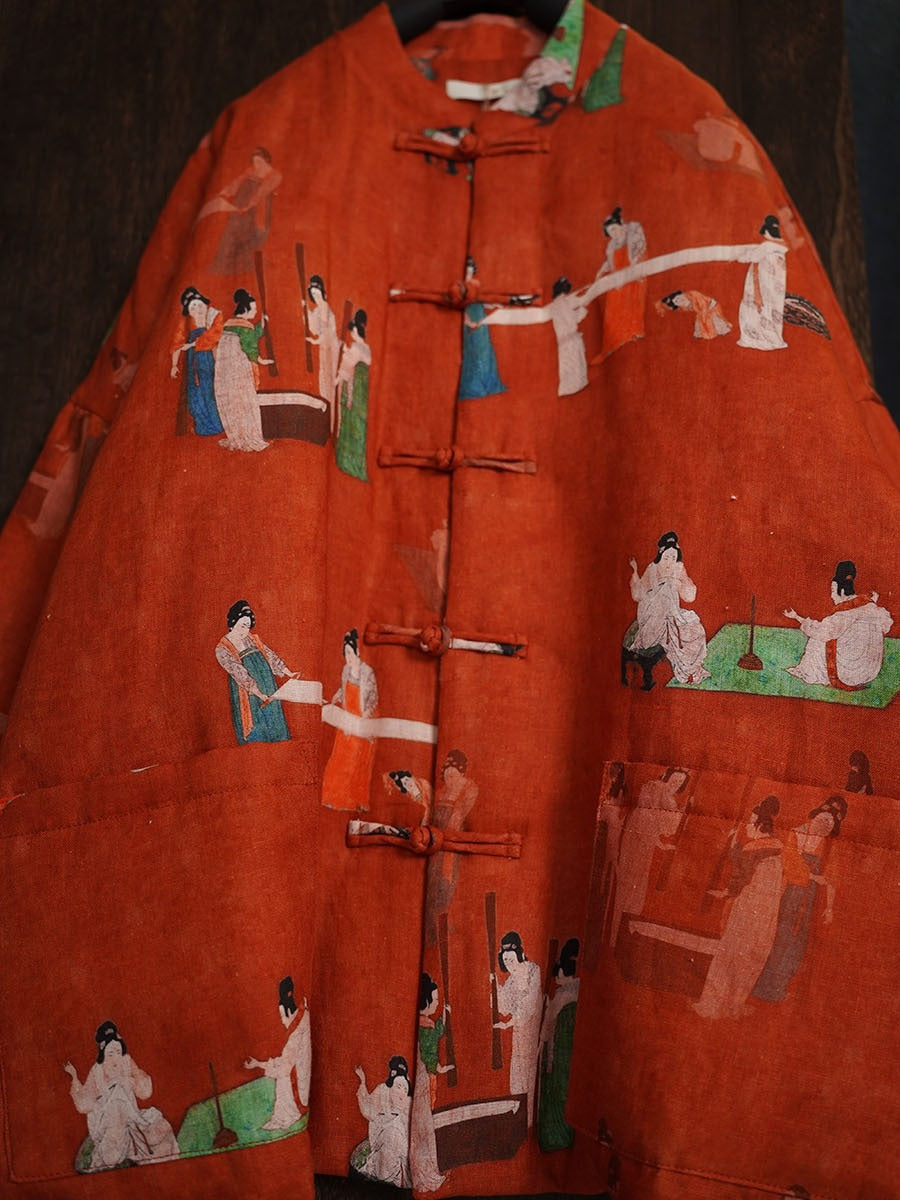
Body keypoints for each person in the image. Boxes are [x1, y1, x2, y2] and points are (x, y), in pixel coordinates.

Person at [692, 797, 783, 1019]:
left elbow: (740, 877)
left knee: (730, 953)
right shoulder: (778, 848)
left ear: (760, 825)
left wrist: (726, 892)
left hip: (749, 906)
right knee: (751, 957)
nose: (747, 827)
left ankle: (712, 1006)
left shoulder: (754, 848)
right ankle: (733, 1006)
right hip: (768, 911)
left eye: (751, 823)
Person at [753, 797, 847, 1003]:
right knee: (778, 937)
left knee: (798, 943)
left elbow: (832, 878)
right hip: (789, 893)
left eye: (830, 823)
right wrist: (812, 876)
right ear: (814, 817)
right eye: (822, 819)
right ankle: (761, 987)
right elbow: (789, 862)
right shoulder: (797, 833)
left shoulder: (829, 846)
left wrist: (829, 907)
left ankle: (779, 989)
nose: (824, 824)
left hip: (810, 901)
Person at [65, 1021, 179, 1172]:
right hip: (109, 1121)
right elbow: (84, 1104)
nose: (115, 1058)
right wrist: (75, 1077)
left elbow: (144, 1091)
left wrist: (129, 1081)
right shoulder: (97, 1070)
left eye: (118, 1052)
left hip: (132, 1116)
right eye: (110, 1054)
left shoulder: (126, 1061)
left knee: (160, 1129)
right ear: (103, 1051)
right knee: (112, 1142)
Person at [478, 274, 607, 396]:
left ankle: (571, 388)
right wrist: (583, 310)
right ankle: (575, 387)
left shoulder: (556, 304)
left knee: (568, 364)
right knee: (574, 363)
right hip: (570, 338)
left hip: (564, 340)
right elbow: (572, 319)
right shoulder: (564, 302)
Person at [609, 768, 689, 949]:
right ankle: (615, 937)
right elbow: (649, 819)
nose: (675, 784)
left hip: (645, 849)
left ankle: (623, 936)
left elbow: (666, 828)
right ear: (668, 777)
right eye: (674, 779)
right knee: (626, 886)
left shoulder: (669, 799)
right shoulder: (654, 788)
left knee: (637, 890)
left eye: (679, 783)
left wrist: (661, 841)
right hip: (635, 844)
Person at [785, 560, 893, 689]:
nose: (832, 596)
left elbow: (822, 632)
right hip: (871, 670)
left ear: (839, 589)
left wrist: (797, 617)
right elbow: (885, 626)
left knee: (817, 640)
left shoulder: (847, 609)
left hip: (851, 674)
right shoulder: (869, 604)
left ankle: (808, 672)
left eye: (832, 591)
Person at [628, 531, 711, 684]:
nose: (669, 562)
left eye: (673, 557)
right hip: (654, 615)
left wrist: (677, 583)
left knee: (696, 630)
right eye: (666, 557)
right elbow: (639, 595)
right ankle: (685, 671)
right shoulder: (653, 569)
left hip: (673, 613)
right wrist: (635, 572)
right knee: (677, 633)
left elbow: (689, 596)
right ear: (661, 554)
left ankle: (693, 670)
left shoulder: (678, 568)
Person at [215, 600, 298, 744]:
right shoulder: (222, 648)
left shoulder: (252, 639)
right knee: (257, 724)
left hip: (268, 684)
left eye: (248, 626)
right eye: (242, 625)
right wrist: (259, 693)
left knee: (274, 719)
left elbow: (270, 655)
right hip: (248, 691)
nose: (245, 630)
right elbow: (239, 674)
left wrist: (289, 673)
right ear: (233, 623)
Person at [202, 147, 283, 276]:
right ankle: (224, 263)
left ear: (266, 160)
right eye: (254, 162)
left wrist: (249, 205)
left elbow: (262, 192)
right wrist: (225, 192)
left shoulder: (275, 175)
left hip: (258, 208)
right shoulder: (251, 170)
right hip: (240, 204)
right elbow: (238, 181)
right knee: (232, 230)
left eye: (259, 161)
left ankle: (244, 262)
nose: (257, 165)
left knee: (253, 234)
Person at [321, 628, 378, 809]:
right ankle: (334, 798)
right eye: (345, 653)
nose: (348, 657)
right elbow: (343, 688)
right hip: (347, 718)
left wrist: (364, 720)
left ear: (357, 651)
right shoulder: (346, 669)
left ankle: (355, 801)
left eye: (350, 653)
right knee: (340, 757)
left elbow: (373, 698)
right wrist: (335, 698)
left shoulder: (367, 672)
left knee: (357, 761)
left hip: (363, 719)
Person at [244, 977, 311, 1130]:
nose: (282, 1020)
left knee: (283, 1081)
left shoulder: (297, 1029)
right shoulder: (302, 1015)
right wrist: (259, 1063)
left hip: (299, 1086)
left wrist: (261, 1067)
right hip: (299, 1069)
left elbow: (285, 1068)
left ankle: (284, 1117)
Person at [493, 931, 543, 1127]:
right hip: (519, 1036)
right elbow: (504, 1007)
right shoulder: (511, 981)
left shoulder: (533, 971)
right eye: (505, 960)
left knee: (532, 1075)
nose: (509, 964)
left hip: (535, 1032)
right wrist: (495, 988)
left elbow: (529, 1005)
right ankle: (520, 1121)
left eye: (511, 959)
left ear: (520, 954)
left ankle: (531, 1120)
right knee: (518, 1075)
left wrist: (508, 1023)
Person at [214, 289, 273, 452]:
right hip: (239, 368)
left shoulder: (228, 325)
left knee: (231, 400)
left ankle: (235, 435)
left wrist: (261, 324)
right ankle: (248, 436)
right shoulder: (245, 327)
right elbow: (250, 346)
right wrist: (261, 360)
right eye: (253, 309)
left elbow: (252, 336)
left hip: (225, 370)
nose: (255, 312)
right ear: (245, 309)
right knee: (244, 400)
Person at [537, 936, 580, 1150]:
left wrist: (541, 1047)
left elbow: (547, 1029)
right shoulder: (580, 990)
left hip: (559, 1055)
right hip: (574, 1055)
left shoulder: (562, 995)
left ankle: (555, 1137)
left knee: (556, 1093)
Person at [592, 206, 648, 360]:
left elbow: (641, 248)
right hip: (618, 277)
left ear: (621, 223)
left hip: (634, 274)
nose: (613, 234)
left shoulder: (633, 231)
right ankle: (613, 342)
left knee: (632, 301)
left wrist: (635, 264)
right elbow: (609, 262)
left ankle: (632, 334)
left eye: (614, 229)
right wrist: (600, 272)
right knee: (613, 304)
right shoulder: (611, 245)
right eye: (610, 233)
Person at [410, 973, 449, 1193]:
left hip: (424, 1075)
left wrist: (443, 1017)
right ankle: (425, 1174)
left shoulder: (428, 1024)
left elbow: (437, 1034)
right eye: (434, 1000)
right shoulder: (425, 1027)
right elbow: (429, 1053)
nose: (436, 1003)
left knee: (425, 1120)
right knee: (424, 1121)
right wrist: (439, 1068)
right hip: (424, 1076)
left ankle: (427, 1171)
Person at [170, 286, 224, 435]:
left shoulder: (212, 322)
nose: (197, 309)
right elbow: (177, 344)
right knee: (196, 391)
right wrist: (174, 365)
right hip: (194, 360)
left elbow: (215, 336)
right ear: (189, 311)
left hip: (209, 357)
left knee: (211, 389)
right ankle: (204, 425)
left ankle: (217, 423)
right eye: (193, 306)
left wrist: (195, 344)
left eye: (200, 305)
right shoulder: (188, 329)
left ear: (205, 306)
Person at [351, 1057, 412, 1186]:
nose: (402, 1092)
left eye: (405, 1089)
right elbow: (368, 1110)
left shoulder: (408, 1100)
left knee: (394, 1132)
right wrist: (363, 1082)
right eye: (398, 1087)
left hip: (399, 1147)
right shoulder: (383, 1089)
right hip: (380, 1141)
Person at [735, 214, 789, 350]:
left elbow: (748, 259)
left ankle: (757, 338)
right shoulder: (782, 245)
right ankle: (770, 337)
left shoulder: (767, 246)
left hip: (763, 281)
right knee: (771, 310)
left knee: (755, 309)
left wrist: (757, 290)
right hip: (775, 284)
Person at [458, 257, 507, 399]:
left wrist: (493, 305)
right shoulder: (459, 287)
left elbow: (480, 301)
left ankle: (488, 384)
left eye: (471, 273)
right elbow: (460, 308)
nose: (469, 276)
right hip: (471, 324)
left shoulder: (475, 285)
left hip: (481, 322)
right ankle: (474, 387)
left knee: (485, 353)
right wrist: (469, 323)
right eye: (466, 273)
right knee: (473, 355)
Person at [334, 309, 371, 480]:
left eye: (352, 331)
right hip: (362, 392)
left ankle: (347, 461)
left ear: (356, 330)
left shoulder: (356, 347)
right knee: (359, 423)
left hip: (354, 388)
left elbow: (348, 367)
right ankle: (357, 462)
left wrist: (338, 378)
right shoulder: (367, 349)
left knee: (350, 420)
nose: (352, 334)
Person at [304, 274, 339, 401]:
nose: (316, 298)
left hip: (331, 347)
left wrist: (315, 341)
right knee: (324, 376)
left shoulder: (324, 307)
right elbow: (314, 328)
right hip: (324, 347)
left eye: (318, 294)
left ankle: (331, 404)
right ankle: (327, 402)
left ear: (322, 293)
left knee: (330, 376)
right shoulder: (318, 310)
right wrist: (306, 311)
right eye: (313, 295)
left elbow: (327, 332)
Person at [655, 288, 732, 339]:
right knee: (699, 323)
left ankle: (723, 330)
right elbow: (680, 308)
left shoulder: (693, 294)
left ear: (681, 294)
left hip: (711, 307)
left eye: (678, 298)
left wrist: (703, 317)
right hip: (701, 312)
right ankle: (699, 334)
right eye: (676, 302)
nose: (679, 301)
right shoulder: (684, 304)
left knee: (712, 320)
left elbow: (704, 305)